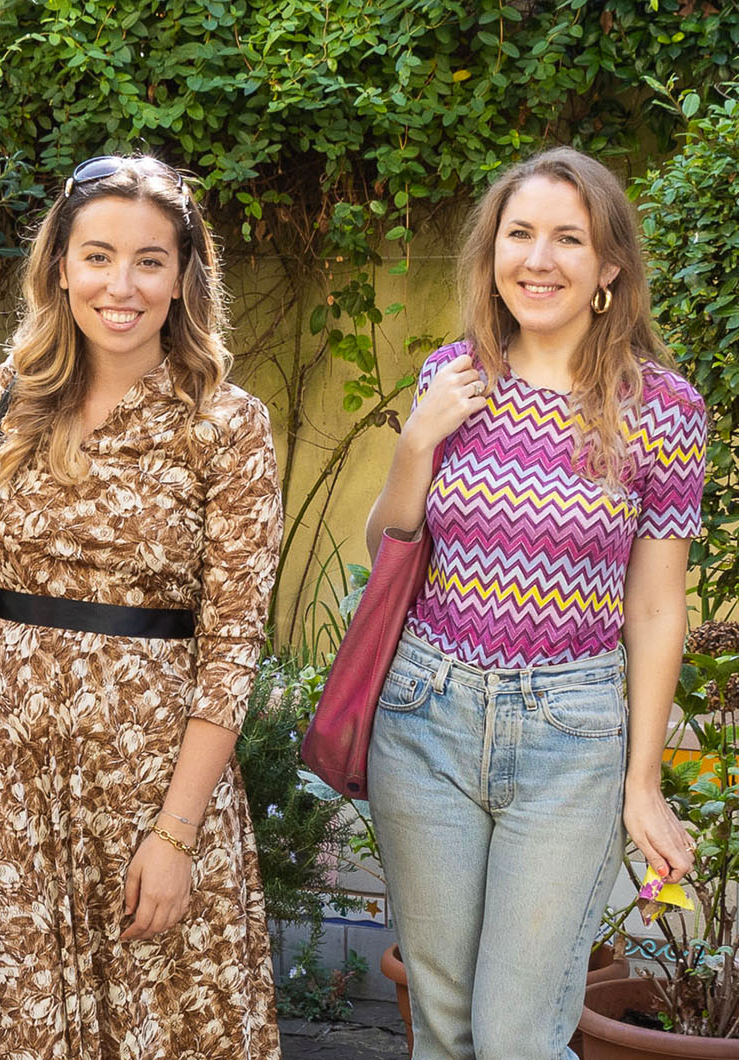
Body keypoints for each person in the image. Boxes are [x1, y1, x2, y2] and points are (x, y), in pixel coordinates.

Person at [0, 154, 285, 1057]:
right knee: (5, 1022)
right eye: (97, 256)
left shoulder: (225, 423)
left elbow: (231, 647)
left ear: (183, 277)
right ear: (59, 266)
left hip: (147, 782)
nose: (121, 285)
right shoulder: (7, 400)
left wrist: (176, 835)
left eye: (149, 260)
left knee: (159, 1020)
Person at [363, 146, 706, 1058]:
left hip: (570, 737)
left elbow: (656, 609)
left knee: (517, 1034)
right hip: (424, 717)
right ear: (492, 253)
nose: (538, 259)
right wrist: (415, 443)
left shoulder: (662, 410)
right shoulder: (452, 374)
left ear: (608, 268)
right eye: (519, 234)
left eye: (568, 238)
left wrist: (642, 782)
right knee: (442, 1025)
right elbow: (384, 553)